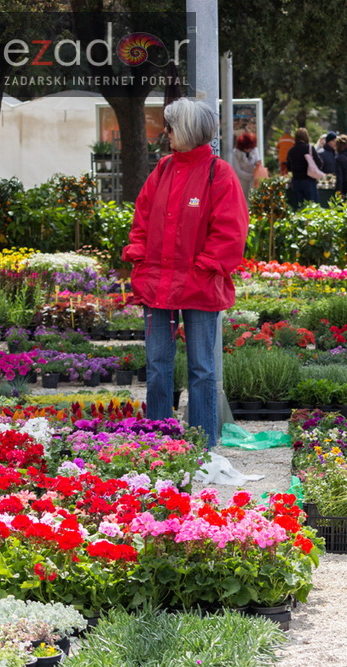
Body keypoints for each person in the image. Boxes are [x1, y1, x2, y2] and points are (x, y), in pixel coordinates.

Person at [122, 98, 248, 450]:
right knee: (158, 367)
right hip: (157, 287)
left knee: (203, 370)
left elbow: (231, 231)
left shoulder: (218, 173)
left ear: (189, 130)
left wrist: (204, 268)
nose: (166, 133)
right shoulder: (162, 169)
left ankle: (203, 446)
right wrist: (140, 259)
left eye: (172, 127)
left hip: (200, 288)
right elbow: (142, 220)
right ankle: (160, 444)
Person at [285, 127, 324, 205]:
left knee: (299, 207)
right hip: (309, 181)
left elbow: (288, 167)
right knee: (312, 206)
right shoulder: (309, 148)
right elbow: (319, 163)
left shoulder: (291, 151)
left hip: (296, 181)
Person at [230, 131, 262, 200]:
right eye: (246, 147)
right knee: (243, 200)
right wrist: (250, 176)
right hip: (242, 181)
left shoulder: (255, 150)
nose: (248, 149)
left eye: (249, 147)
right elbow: (237, 171)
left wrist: (258, 165)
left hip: (253, 181)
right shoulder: (235, 153)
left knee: (253, 199)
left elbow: (258, 161)